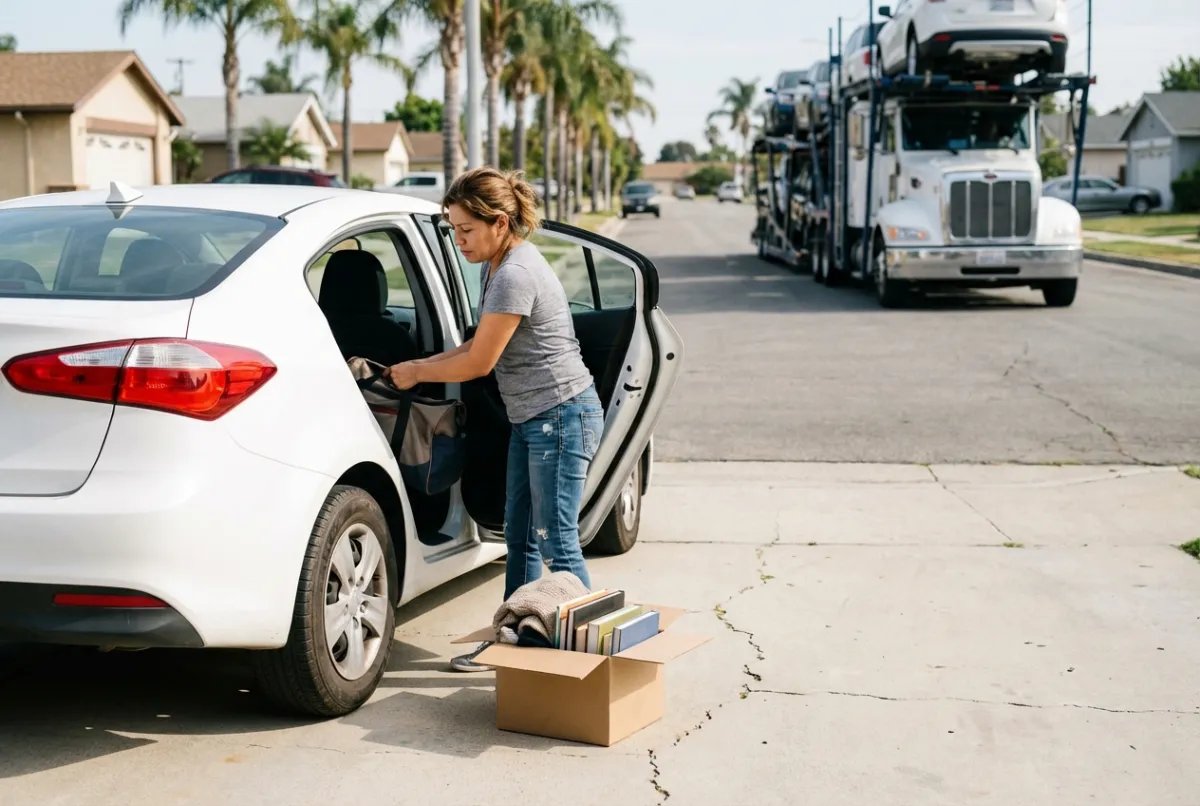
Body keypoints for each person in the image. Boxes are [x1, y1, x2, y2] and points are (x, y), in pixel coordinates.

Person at [386, 167, 604, 673]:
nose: (458, 239)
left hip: (560, 416)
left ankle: (587, 663)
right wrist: (420, 369)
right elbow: (474, 346)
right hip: (534, 418)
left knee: (556, 541)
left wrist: (418, 371)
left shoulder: (514, 274)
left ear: (500, 222)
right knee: (521, 535)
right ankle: (514, 641)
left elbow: (479, 365)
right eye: (453, 229)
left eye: (466, 229)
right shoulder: (497, 264)